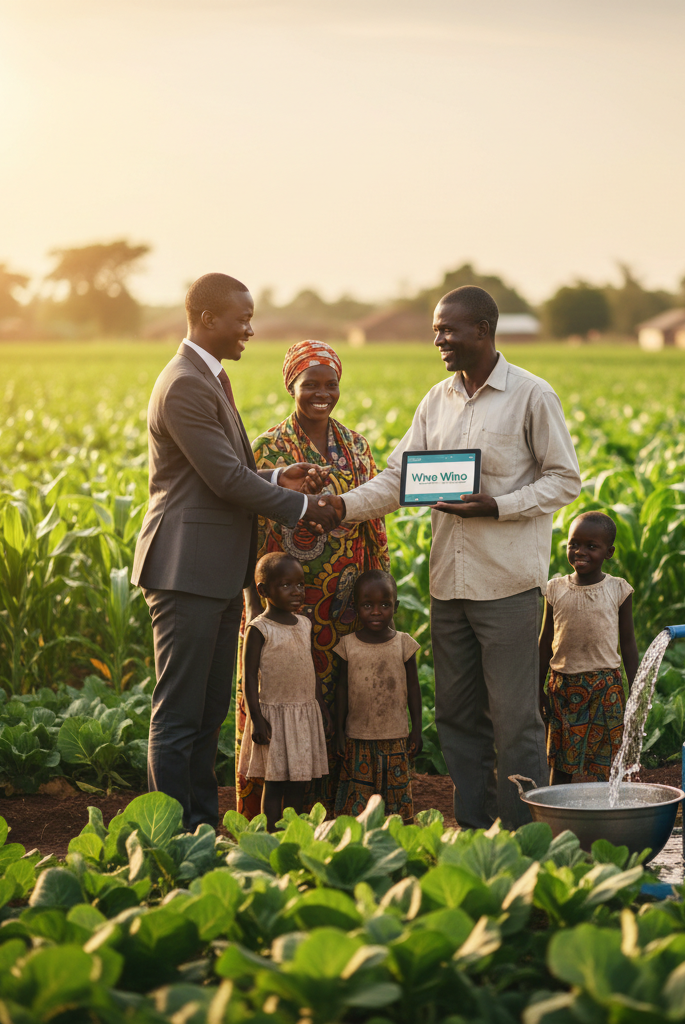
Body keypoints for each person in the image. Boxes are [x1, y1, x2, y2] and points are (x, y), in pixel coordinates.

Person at [317, 285, 581, 829]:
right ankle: (474, 828)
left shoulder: (532, 396)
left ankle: (524, 836)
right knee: (458, 719)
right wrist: (338, 506)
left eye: (448, 329)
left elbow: (564, 480)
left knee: (515, 721)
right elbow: (398, 479)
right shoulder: (436, 401)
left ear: (482, 330)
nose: (437, 339)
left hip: (506, 585)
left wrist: (498, 506)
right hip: (449, 587)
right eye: (436, 329)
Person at [131, 273, 338, 830]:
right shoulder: (184, 384)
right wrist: (300, 508)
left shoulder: (208, 378)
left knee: (206, 714)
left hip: (215, 571)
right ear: (207, 320)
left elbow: (228, 472)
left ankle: (199, 825)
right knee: (178, 715)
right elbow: (223, 479)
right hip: (185, 569)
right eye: (241, 318)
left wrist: (278, 476)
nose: (250, 328)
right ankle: (167, 834)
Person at [235, 339, 389, 818]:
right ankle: (277, 819)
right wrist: (254, 610)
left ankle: (340, 811)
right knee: (282, 703)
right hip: (286, 608)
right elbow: (251, 530)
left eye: (331, 384)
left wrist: (377, 588)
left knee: (338, 703)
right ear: (291, 386)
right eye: (310, 384)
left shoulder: (357, 447)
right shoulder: (268, 449)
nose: (322, 393)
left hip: (345, 607)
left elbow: (375, 518)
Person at [538, 511, 639, 785]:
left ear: (609, 552)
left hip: (606, 688)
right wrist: (539, 689)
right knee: (561, 760)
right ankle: (557, 818)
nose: (580, 551)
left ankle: (606, 817)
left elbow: (628, 645)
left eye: (591, 546)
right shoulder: (555, 589)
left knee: (606, 763)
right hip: (563, 688)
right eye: (574, 544)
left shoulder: (618, 590)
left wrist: (636, 693)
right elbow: (545, 642)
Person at [237, 552, 330, 823]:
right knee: (275, 782)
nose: (297, 591)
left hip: (303, 715)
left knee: (298, 782)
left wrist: (321, 708)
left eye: (300, 585)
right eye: (286, 585)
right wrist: (256, 718)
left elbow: (309, 669)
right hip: (273, 718)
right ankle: (271, 837)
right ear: (263, 590)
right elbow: (250, 678)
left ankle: (294, 833)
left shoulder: (304, 624)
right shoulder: (259, 629)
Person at [333, 569, 421, 821]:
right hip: (357, 736)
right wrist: (339, 731)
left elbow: (413, 688)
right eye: (367, 605)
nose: (376, 611)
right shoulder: (348, 645)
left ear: (396, 606)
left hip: (396, 736)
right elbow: (341, 690)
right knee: (357, 804)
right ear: (355, 606)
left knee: (397, 803)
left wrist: (417, 729)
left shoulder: (404, 644)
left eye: (385, 604)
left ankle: (398, 843)